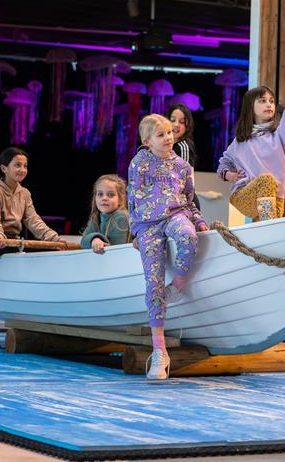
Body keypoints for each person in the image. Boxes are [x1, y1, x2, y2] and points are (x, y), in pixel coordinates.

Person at [128, 114, 208, 380]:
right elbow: (132, 199)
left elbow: (189, 200)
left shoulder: (183, 166)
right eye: (161, 135)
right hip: (148, 224)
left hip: (175, 216)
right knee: (153, 282)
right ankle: (160, 352)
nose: (168, 138)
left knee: (188, 237)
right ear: (147, 141)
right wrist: (134, 232)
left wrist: (198, 221)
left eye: (170, 132)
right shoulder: (139, 163)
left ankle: (179, 284)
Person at [217, 77, 285, 221]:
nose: (269, 104)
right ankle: (269, 228)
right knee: (267, 181)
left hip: (275, 198)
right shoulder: (240, 141)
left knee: (265, 234)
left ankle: (265, 232)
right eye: (262, 101)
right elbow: (224, 162)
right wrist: (229, 174)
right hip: (244, 195)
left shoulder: (281, 137)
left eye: (271, 101)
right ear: (250, 107)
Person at [0, 147, 61, 257]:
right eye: (17, 165)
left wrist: (53, 238)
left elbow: (33, 221)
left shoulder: (24, 193)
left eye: (25, 166)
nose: (22, 170)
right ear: (4, 168)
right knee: (9, 249)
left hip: (14, 241)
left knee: (53, 251)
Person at [81, 174, 130, 254]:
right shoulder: (96, 217)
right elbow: (83, 241)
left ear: (120, 199)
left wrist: (100, 242)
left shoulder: (121, 216)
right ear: (95, 198)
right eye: (100, 194)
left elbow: (116, 250)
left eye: (110, 195)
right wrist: (94, 239)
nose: (104, 198)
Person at [168, 103, 201, 210]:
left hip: (184, 204)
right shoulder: (165, 146)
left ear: (187, 126)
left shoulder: (183, 147)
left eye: (182, 122)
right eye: (172, 120)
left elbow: (183, 182)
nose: (176, 124)